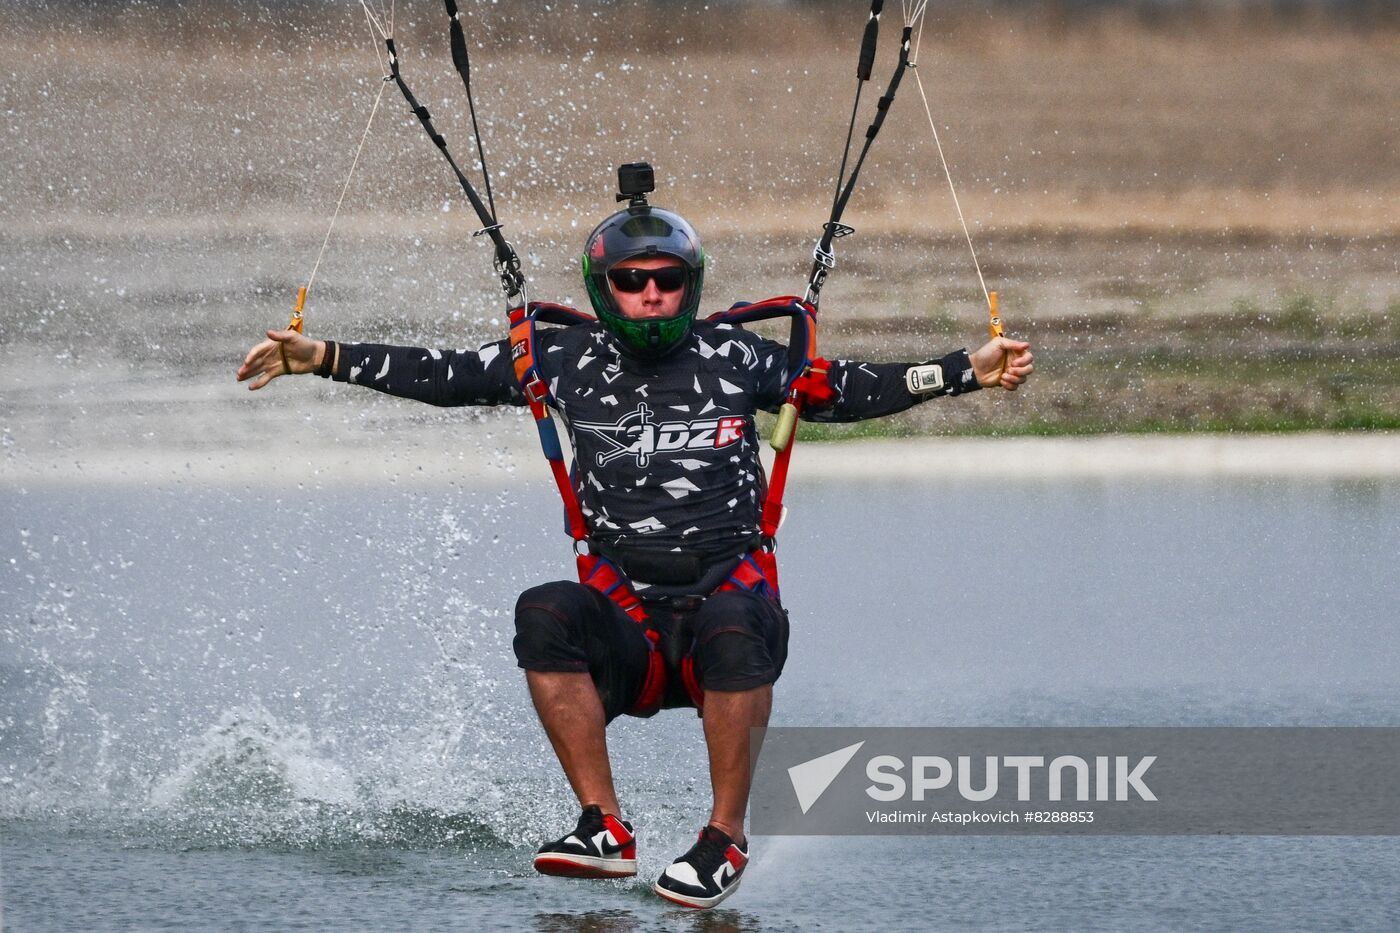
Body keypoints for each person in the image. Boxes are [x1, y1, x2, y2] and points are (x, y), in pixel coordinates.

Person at [237, 195, 1033, 909]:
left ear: (690, 282)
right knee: (543, 609)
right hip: (628, 629)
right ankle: (604, 826)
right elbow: (444, 373)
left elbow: (851, 388)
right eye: (631, 280)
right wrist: (325, 357)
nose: (650, 293)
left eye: (667, 279)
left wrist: (968, 368)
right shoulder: (562, 361)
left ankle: (723, 838)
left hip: (733, 615)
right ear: (602, 287)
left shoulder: (736, 356)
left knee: (730, 621)